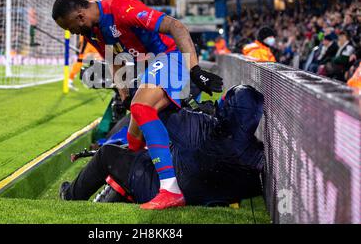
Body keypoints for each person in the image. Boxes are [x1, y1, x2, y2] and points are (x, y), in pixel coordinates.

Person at [52, 0, 223, 209]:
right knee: (133, 139)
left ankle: (170, 190)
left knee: (141, 107)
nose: (71, 33)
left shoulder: (120, 8)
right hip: (151, 68)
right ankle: (138, 183)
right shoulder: (92, 32)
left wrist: (195, 69)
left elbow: (175, 26)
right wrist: (124, 94)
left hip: (171, 56)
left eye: (70, 27)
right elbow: (113, 59)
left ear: (80, 16)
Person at [60, 85, 264, 207]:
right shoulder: (256, 156)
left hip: (162, 190)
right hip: (205, 197)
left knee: (108, 153)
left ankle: (69, 196)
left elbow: (147, 108)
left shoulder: (200, 126)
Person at [68, 0, 102, 90]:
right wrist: (81, 39)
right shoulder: (85, 7)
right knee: (81, 59)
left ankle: (92, 78)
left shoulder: (95, 6)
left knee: (102, 58)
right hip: (87, 39)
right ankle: (70, 79)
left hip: (95, 38)